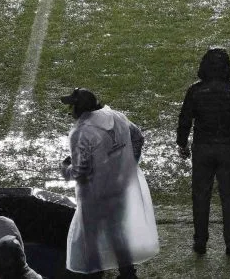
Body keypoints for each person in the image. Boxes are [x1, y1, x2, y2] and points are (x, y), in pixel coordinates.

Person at [60, 87, 159, 278]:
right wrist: (127, 166)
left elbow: (81, 171)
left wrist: (65, 168)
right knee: (117, 232)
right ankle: (128, 273)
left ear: (80, 109)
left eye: (72, 107)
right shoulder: (117, 117)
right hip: (118, 188)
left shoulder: (81, 132)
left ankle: (97, 274)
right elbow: (138, 137)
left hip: (95, 194)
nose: (69, 111)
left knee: (91, 237)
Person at [176, 47, 230, 255]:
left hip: (203, 147)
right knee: (229, 196)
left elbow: (185, 119)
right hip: (229, 147)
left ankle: (200, 241)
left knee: (200, 195)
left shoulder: (196, 90)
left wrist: (182, 143)